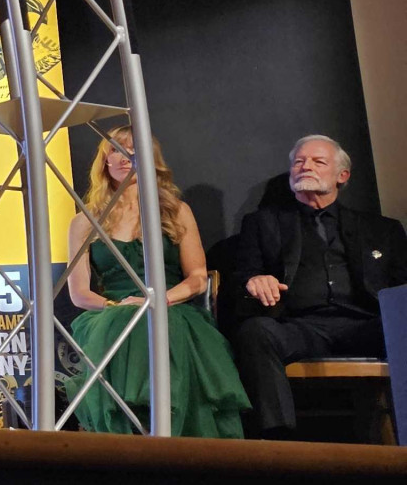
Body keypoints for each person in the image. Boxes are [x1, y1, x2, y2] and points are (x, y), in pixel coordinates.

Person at [65, 129, 250, 437]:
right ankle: (130, 440)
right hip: (110, 313)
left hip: (171, 306)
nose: (126, 159)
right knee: (126, 321)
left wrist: (156, 300)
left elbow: (197, 278)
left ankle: (169, 434)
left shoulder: (176, 211)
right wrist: (117, 305)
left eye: (136, 152)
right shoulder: (83, 221)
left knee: (155, 323)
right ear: (104, 161)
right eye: (117, 151)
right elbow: (79, 293)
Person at [223, 135, 407, 436]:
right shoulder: (263, 222)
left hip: (367, 325)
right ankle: (281, 441)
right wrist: (255, 280)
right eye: (299, 162)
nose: (305, 167)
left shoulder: (382, 229)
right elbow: (243, 274)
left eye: (318, 161)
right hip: (299, 326)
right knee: (256, 332)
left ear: (342, 175)